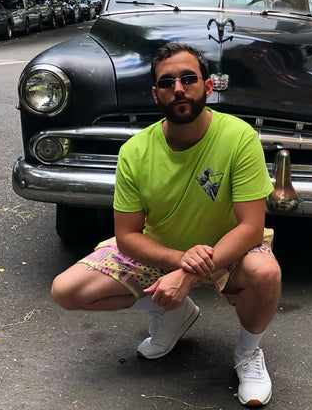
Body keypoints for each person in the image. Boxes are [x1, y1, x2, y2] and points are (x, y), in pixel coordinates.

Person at [51, 42, 282, 407]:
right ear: (155, 94)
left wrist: (188, 275)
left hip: (230, 248)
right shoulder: (135, 152)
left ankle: (248, 353)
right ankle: (172, 312)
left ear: (208, 87)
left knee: (265, 272)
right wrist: (179, 264)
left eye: (189, 79)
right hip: (163, 250)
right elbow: (127, 236)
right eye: (167, 82)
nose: (179, 88)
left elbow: (251, 227)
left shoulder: (239, 137)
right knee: (67, 290)